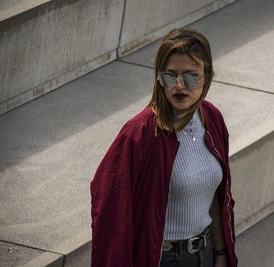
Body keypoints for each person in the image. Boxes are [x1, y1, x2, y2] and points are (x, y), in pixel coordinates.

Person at [90, 28, 238, 267]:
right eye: (169, 76)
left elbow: (216, 196)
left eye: (190, 77)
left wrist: (220, 254)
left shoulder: (212, 119)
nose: (179, 86)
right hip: (162, 259)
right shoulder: (139, 134)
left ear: (206, 77)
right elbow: (110, 209)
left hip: (206, 253)